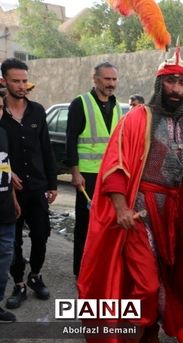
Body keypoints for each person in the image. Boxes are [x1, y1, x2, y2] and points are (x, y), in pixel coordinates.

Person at [77, 48, 183, 343]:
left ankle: (150, 342)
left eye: (182, 82)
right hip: (139, 213)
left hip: (172, 216)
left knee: (165, 281)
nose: (176, 88)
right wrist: (121, 209)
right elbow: (116, 166)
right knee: (146, 286)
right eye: (171, 81)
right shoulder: (138, 117)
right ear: (159, 82)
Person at [0, 58, 57, 309]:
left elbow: (46, 149)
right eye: (16, 81)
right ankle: (19, 283)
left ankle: (35, 276)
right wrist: (6, 172)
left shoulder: (37, 111)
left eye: (24, 80)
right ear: (4, 81)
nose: (22, 86)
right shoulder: (0, 114)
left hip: (37, 187)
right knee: (13, 242)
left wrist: (52, 184)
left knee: (42, 234)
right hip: (10, 191)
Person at [65, 61, 123, 277]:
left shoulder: (118, 106)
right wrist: (75, 172)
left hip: (110, 175)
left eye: (114, 79)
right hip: (87, 176)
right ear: (95, 79)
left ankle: (103, 267)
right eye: (107, 79)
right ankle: (81, 270)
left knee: (108, 223)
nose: (111, 83)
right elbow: (70, 141)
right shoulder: (80, 103)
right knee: (86, 224)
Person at [0, 95, 20, 321]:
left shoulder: (3, 134)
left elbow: (6, 167)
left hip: (5, 211)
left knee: (4, 259)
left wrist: (13, 199)